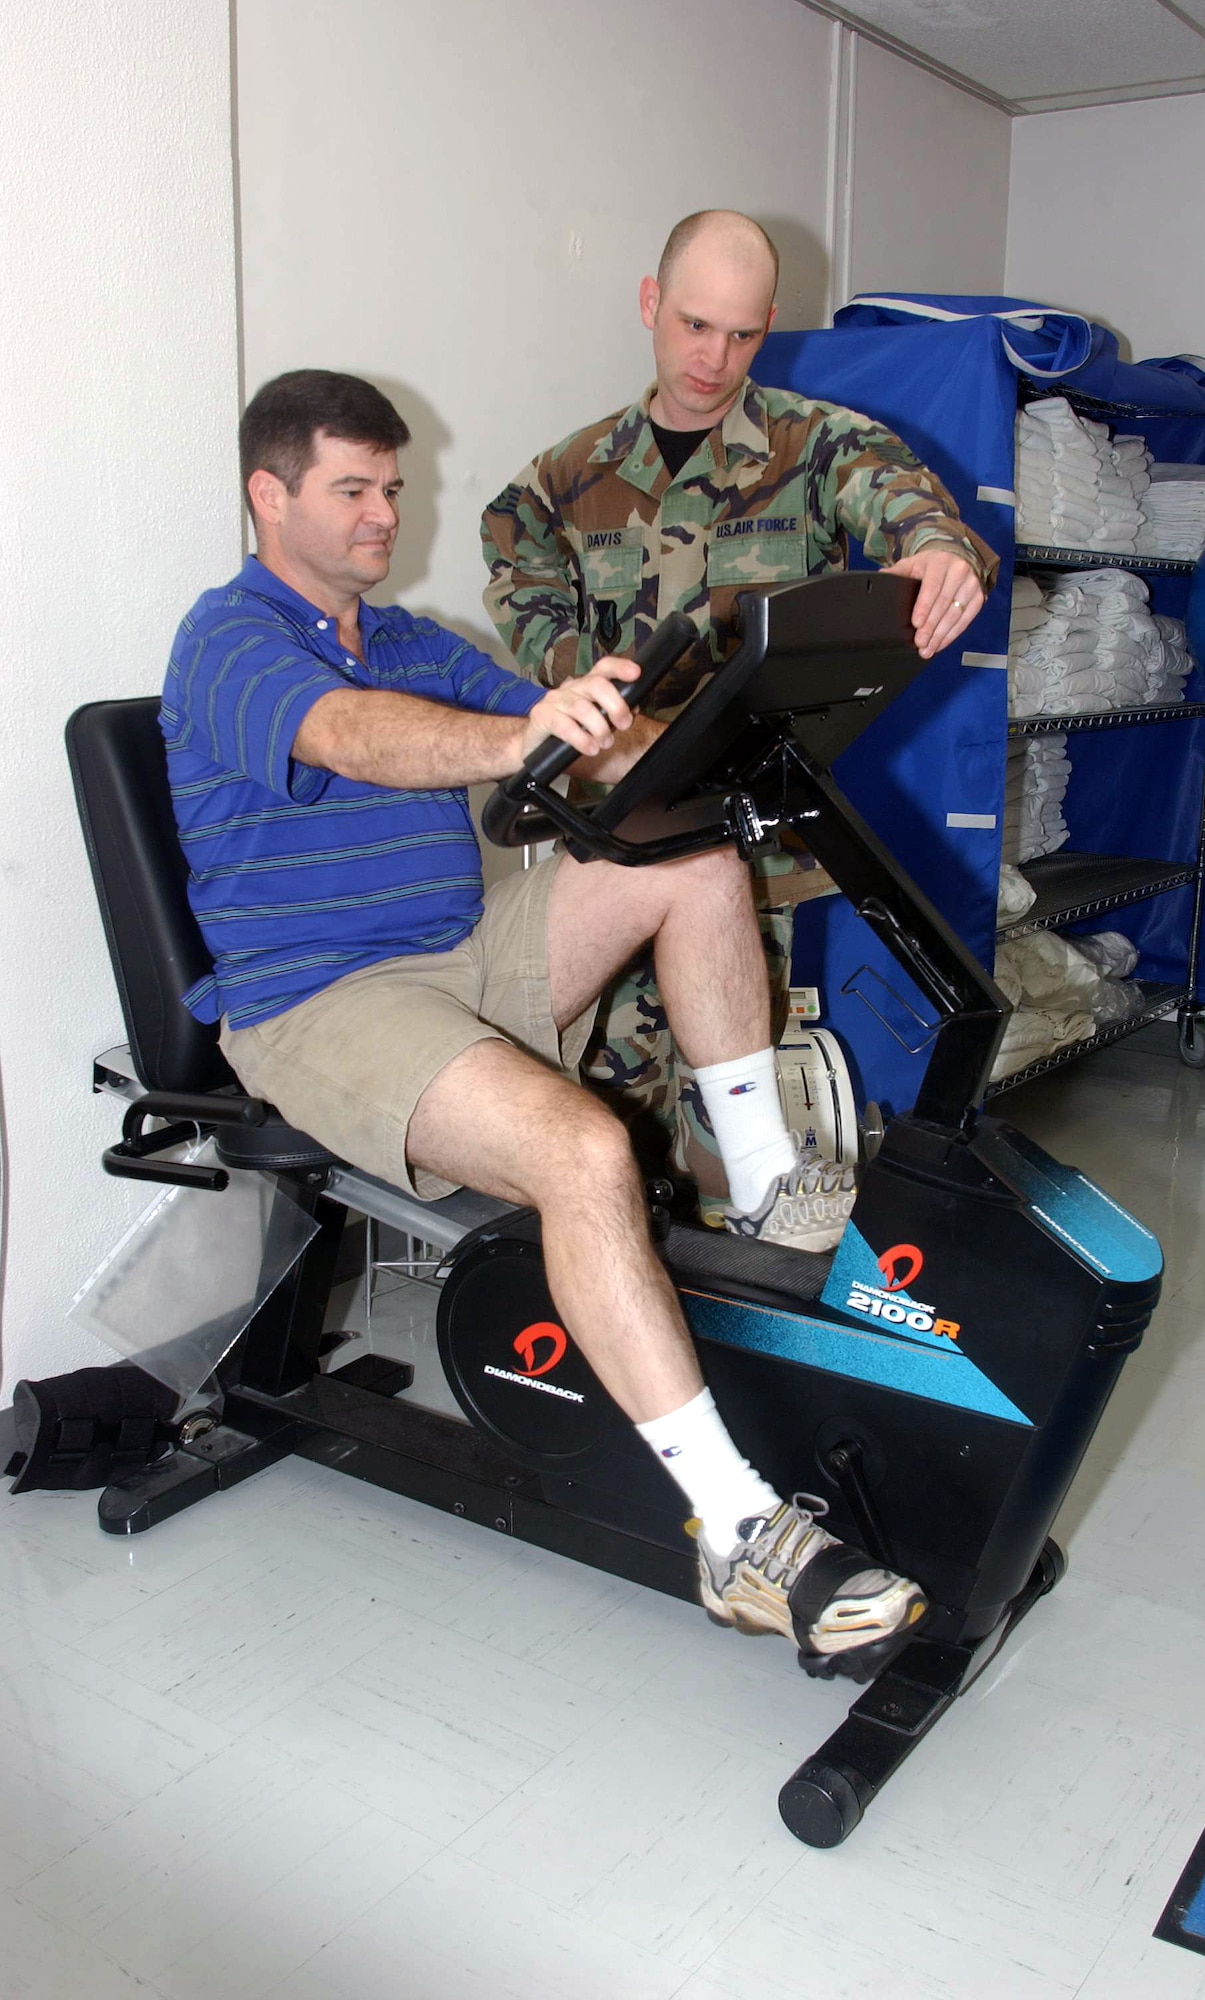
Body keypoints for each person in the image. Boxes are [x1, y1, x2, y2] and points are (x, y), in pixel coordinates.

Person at [161, 367, 928, 1673]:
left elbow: (572, 741)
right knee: (583, 1154)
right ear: (266, 493)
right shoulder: (229, 639)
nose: (379, 515)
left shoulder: (410, 635)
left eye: (390, 489)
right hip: (321, 1006)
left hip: (463, 950)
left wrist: (709, 739)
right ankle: (735, 1535)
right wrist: (512, 736)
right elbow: (361, 738)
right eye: (351, 489)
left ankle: (763, 1190)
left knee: (687, 861)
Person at [482, 209, 997, 1206]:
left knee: (739, 1089)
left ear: (768, 326)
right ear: (649, 304)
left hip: (748, 835)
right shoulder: (562, 480)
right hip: (618, 825)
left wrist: (939, 552)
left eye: (741, 332)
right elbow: (521, 580)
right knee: (606, 1103)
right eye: (691, 325)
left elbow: (914, 508)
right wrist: (599, 700)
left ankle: (744, 1259)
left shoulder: (813, 447)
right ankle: (623, 1282)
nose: (713, 359)